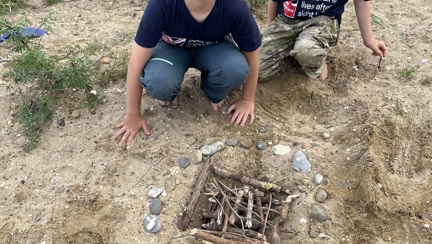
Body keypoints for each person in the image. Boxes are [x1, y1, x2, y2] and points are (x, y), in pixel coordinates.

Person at [113, 0, 262, 145]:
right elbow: (136, 63)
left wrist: (247, 100)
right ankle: (169, 93)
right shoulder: (162, 4)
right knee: (159, 81)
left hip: (213, 46)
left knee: (235, 68)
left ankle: (213, 89)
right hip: (170, 47)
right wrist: (132, 114)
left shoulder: (234, 5)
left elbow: (252, 55)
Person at [259, 0, 387, 81]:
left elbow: (362, 1)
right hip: (286, 20)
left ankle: (316, 61)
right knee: (258, 71)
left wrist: (368, 39)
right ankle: (295, 56)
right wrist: (271, 31)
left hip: (322, 21)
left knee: (307, 50)